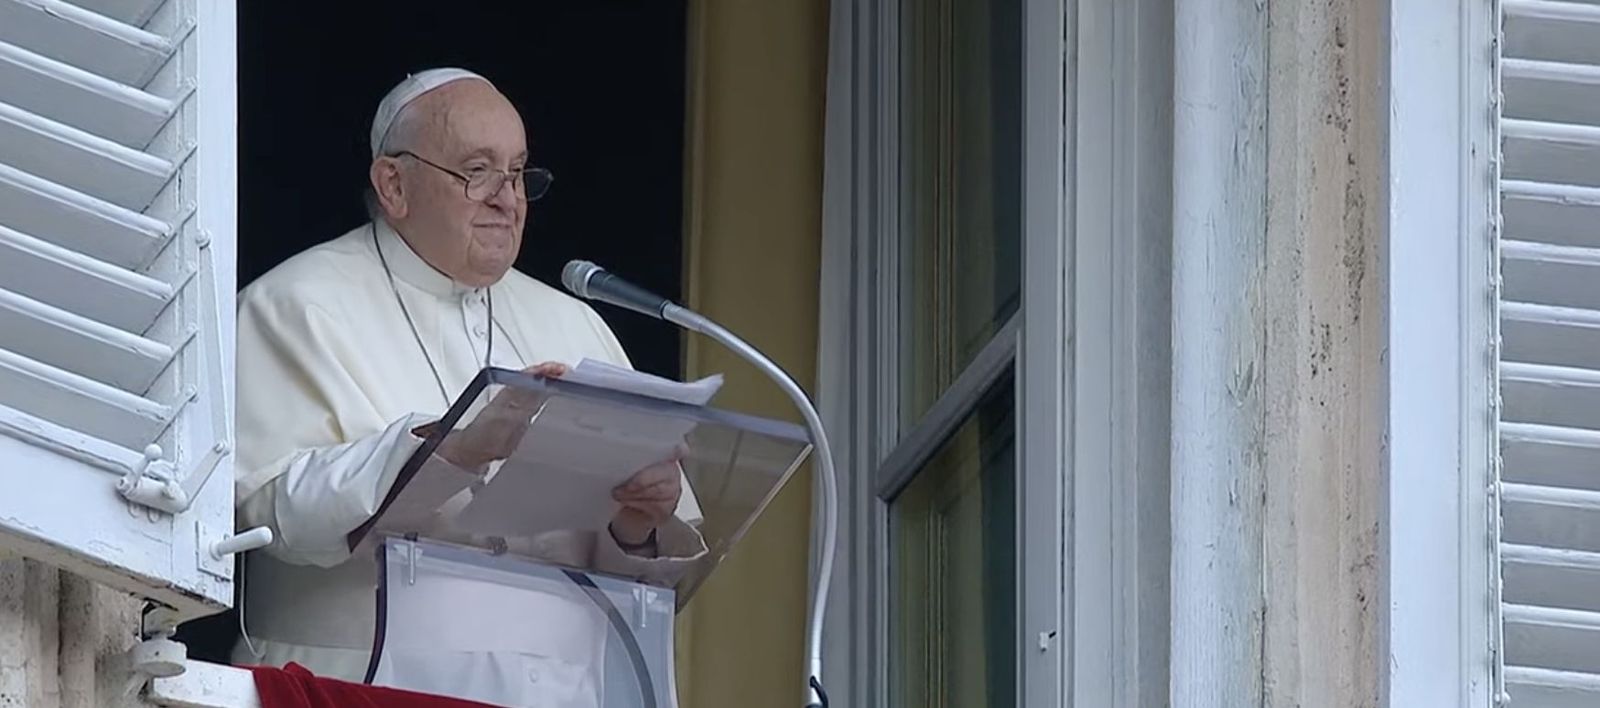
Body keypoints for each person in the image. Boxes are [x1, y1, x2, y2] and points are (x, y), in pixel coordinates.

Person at [231, 68, 704, 707]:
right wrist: (451, 449)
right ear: (393, 184)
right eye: (477, 171)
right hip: (364, 687)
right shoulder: (292, 304)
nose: (506, 199)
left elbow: (650, 578)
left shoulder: (573, 324)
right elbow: (269, 514)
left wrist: (641, 519)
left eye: (518, 174)